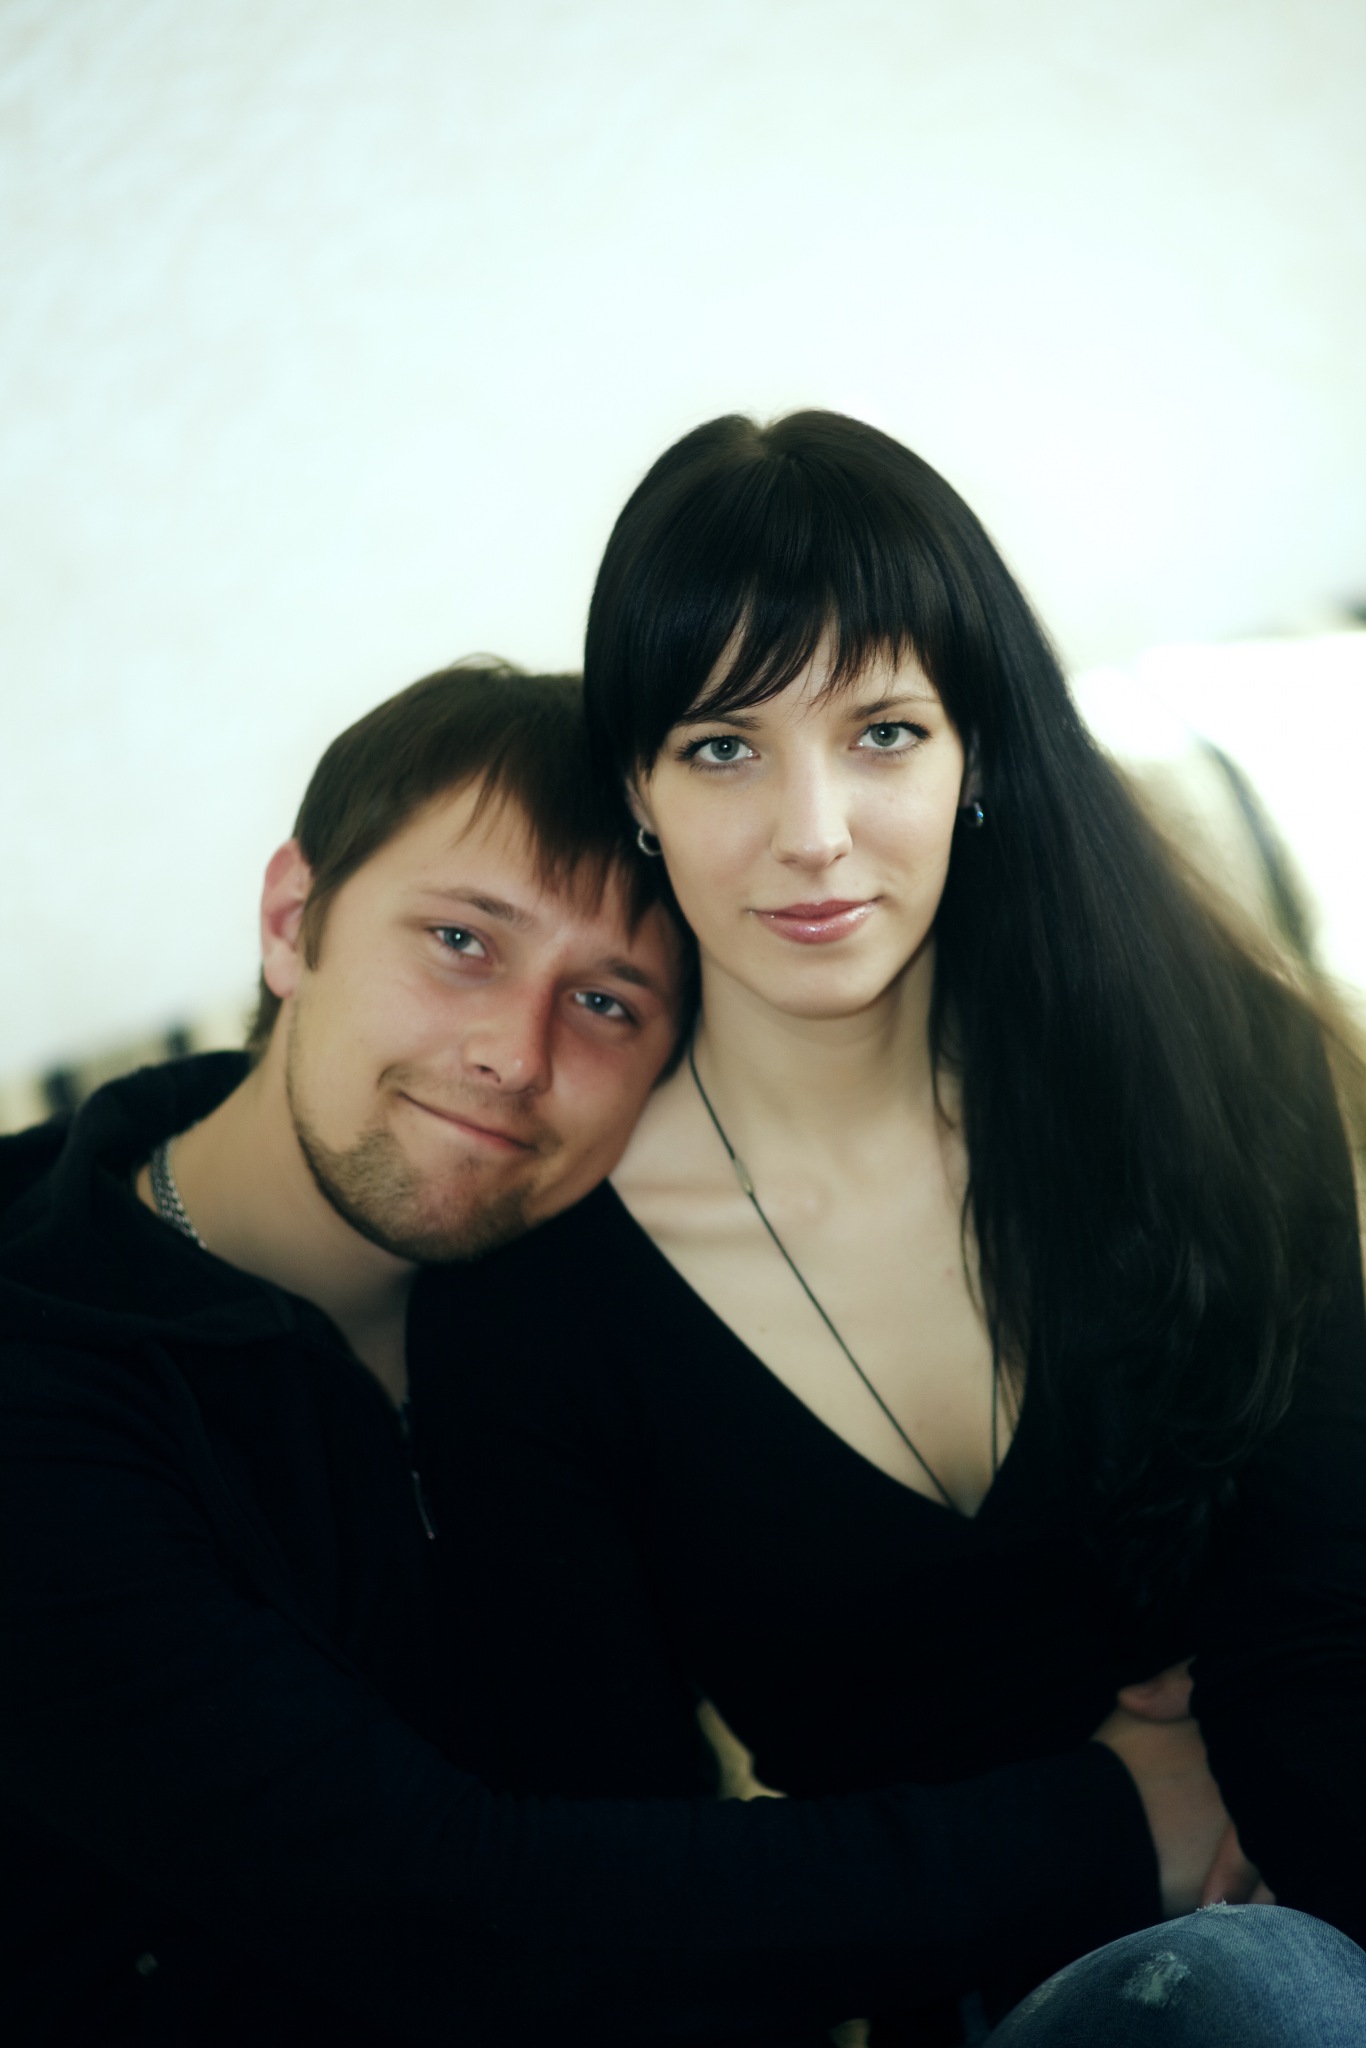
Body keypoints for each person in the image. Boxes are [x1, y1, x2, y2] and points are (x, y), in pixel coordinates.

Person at [1, 657, 1241, 2048]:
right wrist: (1111, 1823)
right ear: (295, 922)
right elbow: (438, 1909)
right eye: (461, 941)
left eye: (608, 1003)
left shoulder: (575, 1295)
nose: (515, 1055)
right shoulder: (41, 1377)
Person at [415, 418, 1366, 2044]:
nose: (812, 831)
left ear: (975, 751)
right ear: (635, 785)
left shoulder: (1210, 1075)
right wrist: (1100, 1826)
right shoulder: (533, 1297)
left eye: (883, 732)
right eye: (724, 746)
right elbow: (620, 1884)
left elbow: (1323, 1629)